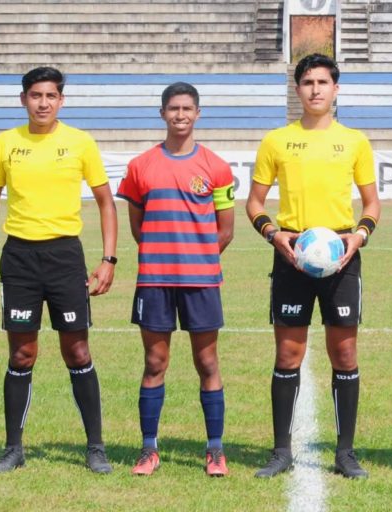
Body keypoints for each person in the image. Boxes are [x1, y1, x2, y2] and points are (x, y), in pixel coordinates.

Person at [0, 67, 118, 474]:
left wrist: (108, 259)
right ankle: (13, 449)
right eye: (36, 95)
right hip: (19, 258)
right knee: (22, 353)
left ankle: (96, 448)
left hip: (65, 257)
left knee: (78, 351)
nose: (43, 103)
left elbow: (106, 202)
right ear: (23, 99)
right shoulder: (5, 143)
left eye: (51, 96)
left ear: (61, 100)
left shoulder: (80, 143)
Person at [246, 53, 380, 479]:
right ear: (298, 89)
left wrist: (359, 236)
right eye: (308, 82)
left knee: (345, 352)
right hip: (292, 254)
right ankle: (281, 451)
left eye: (323, 82)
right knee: (288, 353)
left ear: (336, 89)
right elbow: (254, 203)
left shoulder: (354, 141)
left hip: (341, 255)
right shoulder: (276, 141)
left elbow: (372, 204)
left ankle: (345, 453)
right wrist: (274, 234)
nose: (315, 89)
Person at [116, 82, 235, 477]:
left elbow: (225, 231)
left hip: (201, 281)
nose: (180, 115)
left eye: (187, 108)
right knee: (155, 362)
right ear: (162, 113)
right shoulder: (141, 166)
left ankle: (215, 449)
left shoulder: (217, 167)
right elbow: (138, 226)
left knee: (207, 362)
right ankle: (149, 449)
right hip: (155, 280)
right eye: (173, 108)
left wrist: (196, 257)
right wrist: (162, 254)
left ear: (198, 113)